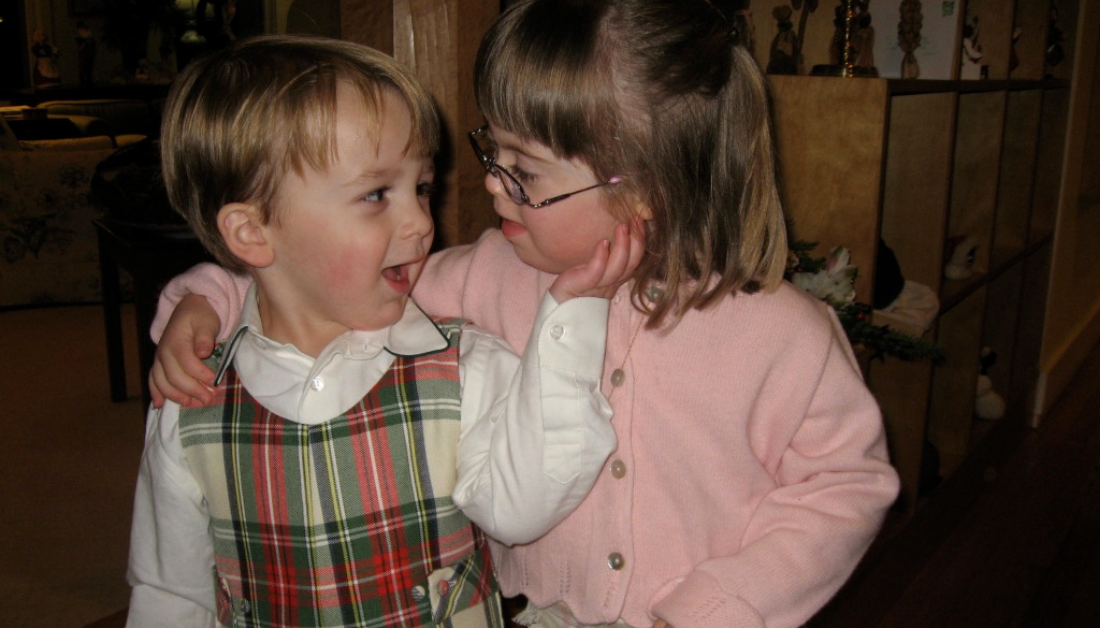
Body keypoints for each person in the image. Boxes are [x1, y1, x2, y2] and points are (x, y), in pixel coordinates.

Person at [147, 2, 902, 627]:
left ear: (642, 191)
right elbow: (316, 283)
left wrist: (725, 602)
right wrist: (202, 302)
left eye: (525, 169)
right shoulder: (487, 272)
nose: (493, 184)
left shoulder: (779, 334)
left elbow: (847, 486)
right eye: (494, 149)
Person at [126, 34, 643, 628]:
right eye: (376, 194)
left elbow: (524, 506)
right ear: (252, 232)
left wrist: (574, 313)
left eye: (420, 187)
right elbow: (171, 594)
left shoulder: (463, 367)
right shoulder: (190, 408)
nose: (421, 222)